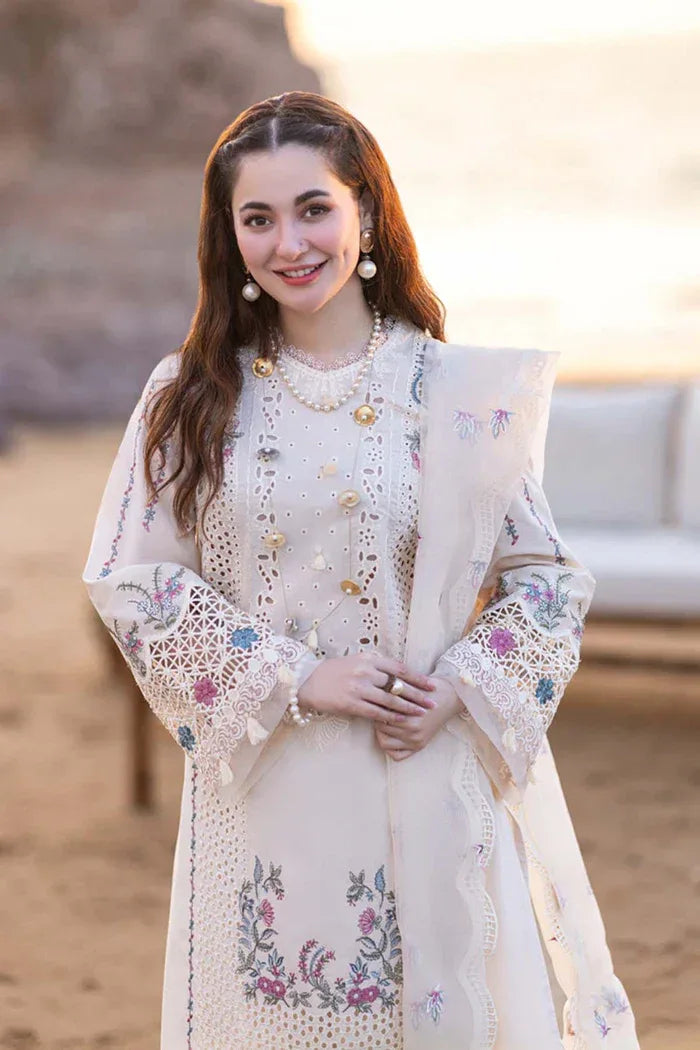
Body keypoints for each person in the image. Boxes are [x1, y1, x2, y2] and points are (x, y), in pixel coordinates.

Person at [83, 91, 639, 1050]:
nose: (289, 243)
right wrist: (299, 676)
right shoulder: (192, 396)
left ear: (367, 213)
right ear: (229, 238)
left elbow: (548, 579)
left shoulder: (455, 394)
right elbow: (134, 583)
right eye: (258, 218)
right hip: (269, 789)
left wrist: (460, 687)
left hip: (426, 766)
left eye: (315, 209)